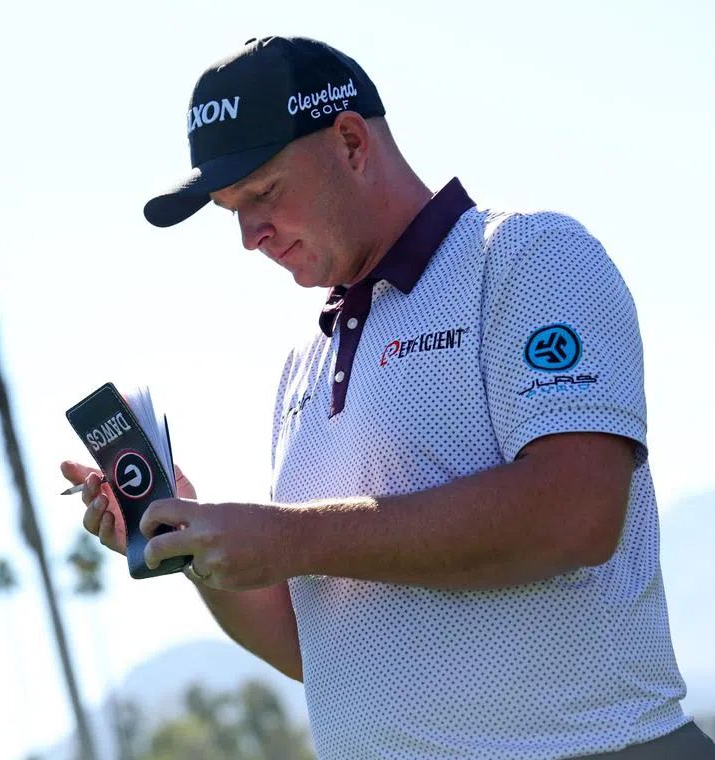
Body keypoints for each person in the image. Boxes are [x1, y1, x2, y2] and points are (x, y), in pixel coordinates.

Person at [59, 35, 715, 759]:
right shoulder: (302, 366)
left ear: (349, 142)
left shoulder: (529, 258)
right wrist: (193, 541)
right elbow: (328, 651)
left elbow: (576, 513)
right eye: (230, 210)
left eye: (263, 193)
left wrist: (289, 536)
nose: (250, 236)